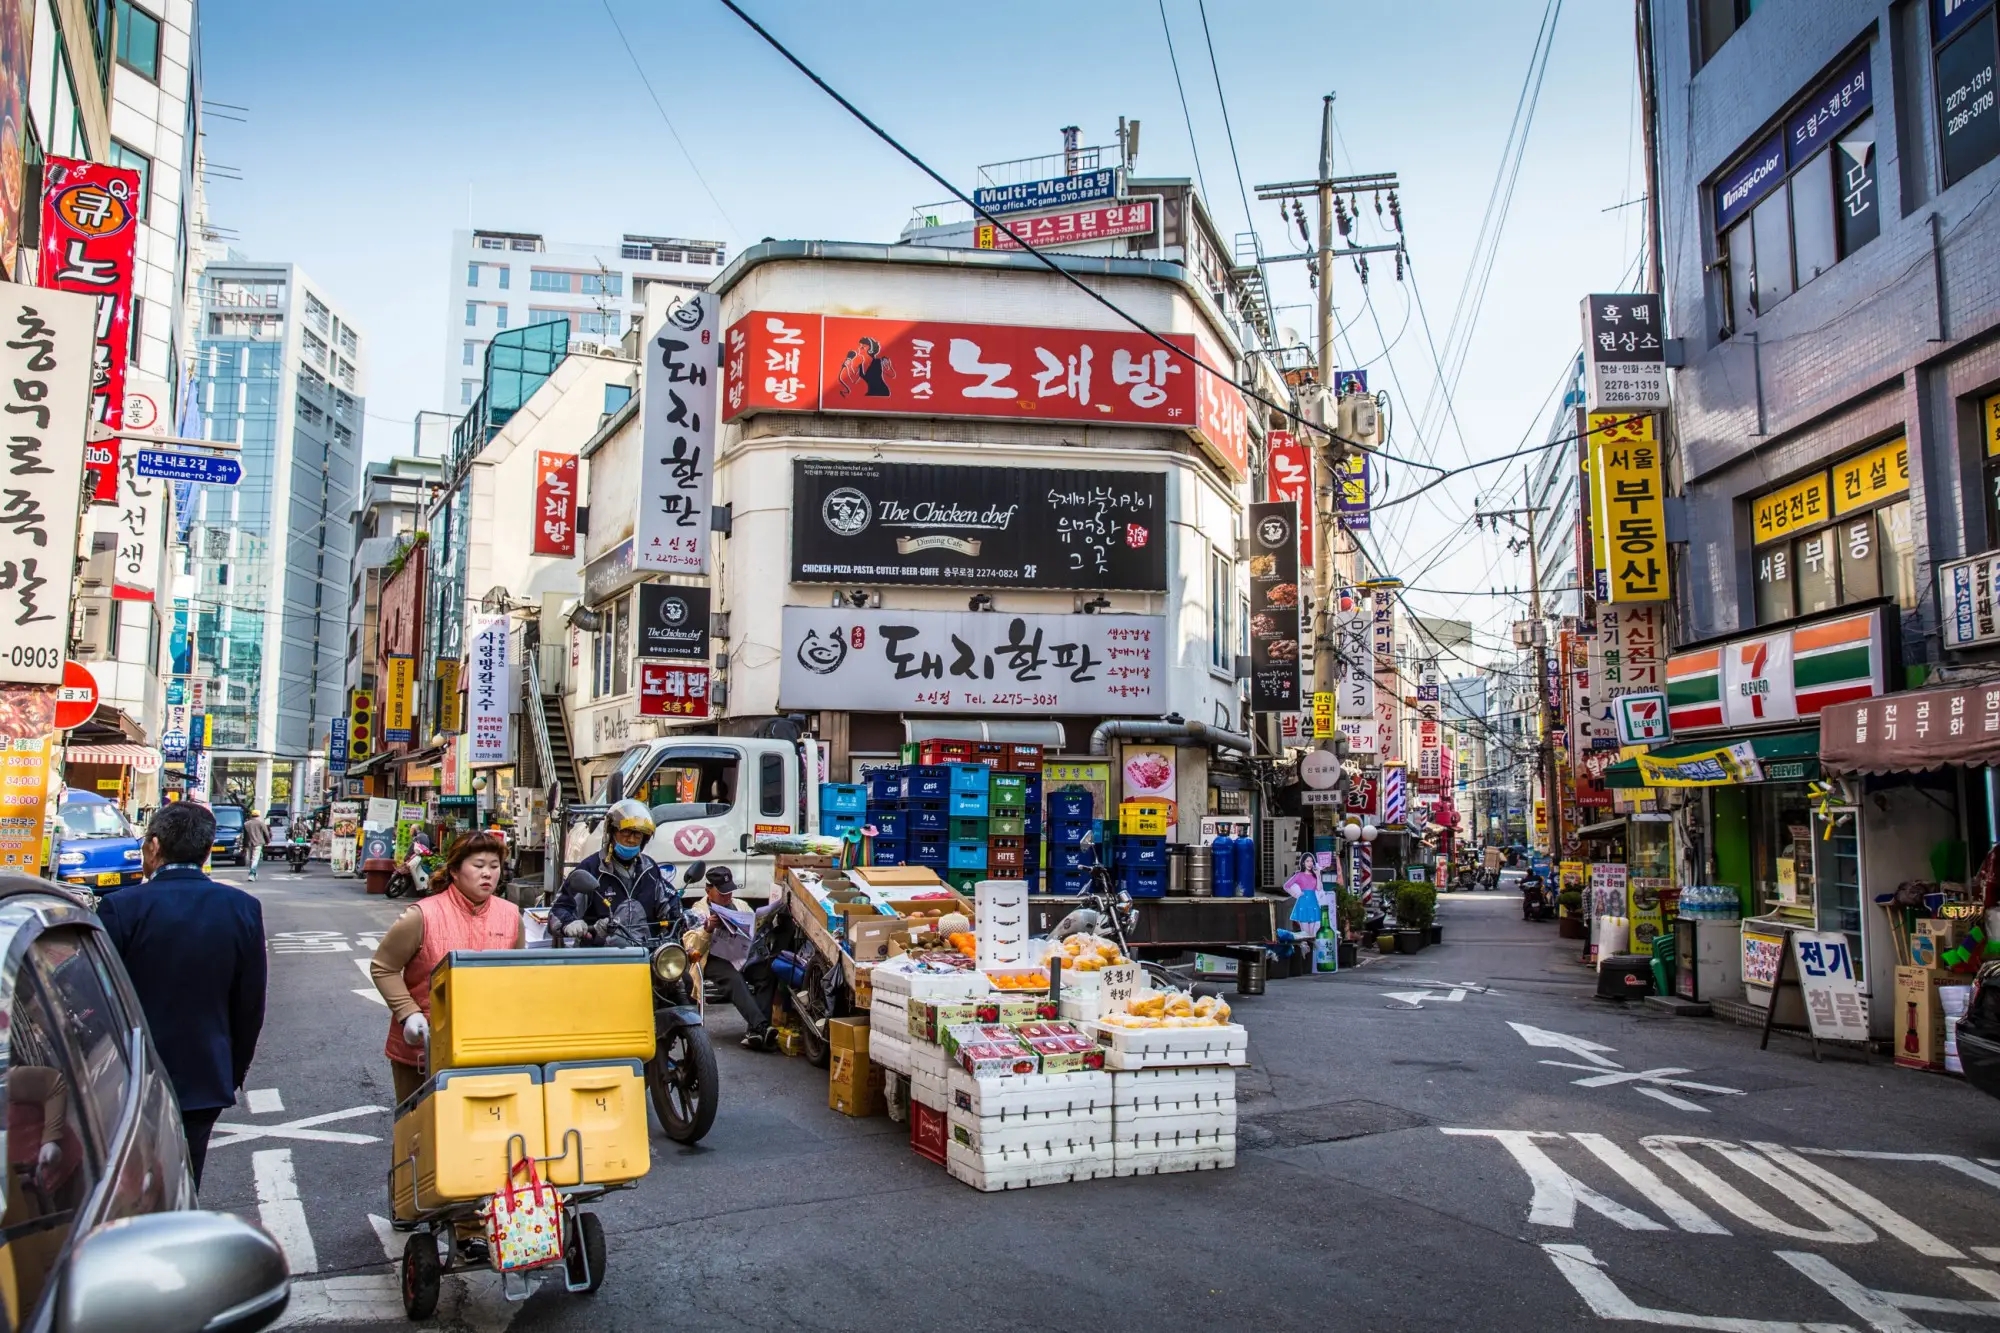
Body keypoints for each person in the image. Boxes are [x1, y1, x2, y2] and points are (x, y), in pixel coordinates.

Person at [96, 802, 267, 1190]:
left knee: (125, 1183)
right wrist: (233, 1068)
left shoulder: (121, 908)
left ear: (154, 846)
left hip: (129, 1074)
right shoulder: (242, 908)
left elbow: (98, 996)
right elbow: (250, 1004)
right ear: (207, 851)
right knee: (186, 1180)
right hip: (204, 1073)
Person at [369, 831, 522, 1105]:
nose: (487, 873)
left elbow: (518, 975)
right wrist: (408, 1014)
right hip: (423, 1047)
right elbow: (384, 967)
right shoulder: (422, 915)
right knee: (419, 1137)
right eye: (478, 866)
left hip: (487, 1047)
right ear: (454, 870)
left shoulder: (511, 915)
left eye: (494, 866)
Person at [550, 800, 684, 941]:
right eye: (625, 832)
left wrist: (684, 917)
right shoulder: (591, 868)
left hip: (644, 953)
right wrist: (569, 923)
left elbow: (670, 904)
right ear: (611, 833)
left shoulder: (650, 869)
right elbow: (558, 911)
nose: (631, 840)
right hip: (603, 957)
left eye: (638, 834)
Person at [685, 865, 781, 1050]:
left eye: (729, 892)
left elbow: (754, 927)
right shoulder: (699, 910)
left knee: (766, 972)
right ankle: (761, 1026)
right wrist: (707, 930)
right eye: (722, 893)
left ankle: (754, 1031)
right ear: (708, 890)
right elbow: (691, 947)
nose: (727, 897)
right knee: (733, 978)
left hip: (742, 957)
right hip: (713, 960)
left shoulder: (740, 905)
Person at [241, 808, 270, 881]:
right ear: (258, 815)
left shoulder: (246, 824)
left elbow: (245, 836)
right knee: (255, 859)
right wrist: (268, 841)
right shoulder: (261, 823)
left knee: (251, 859)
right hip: (258, 843)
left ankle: (254, 874)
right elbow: (266, 833)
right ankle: (251, 874)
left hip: (249, 843)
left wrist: (244, 845)